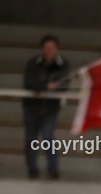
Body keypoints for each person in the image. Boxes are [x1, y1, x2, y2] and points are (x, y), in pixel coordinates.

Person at [23, 35, 69, 180]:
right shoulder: (33, 63)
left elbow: (64, 85)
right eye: (46, 48)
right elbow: (28, 83)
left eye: (52, 48)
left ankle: (53, 168)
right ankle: (32, 168)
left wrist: (52, 88)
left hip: (50, 109)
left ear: (56, 49)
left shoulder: (63, 65)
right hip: (31, 107)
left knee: (48, 137)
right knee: (31, 139)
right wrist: (46, 87)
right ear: (42, 49)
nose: (49, 51)